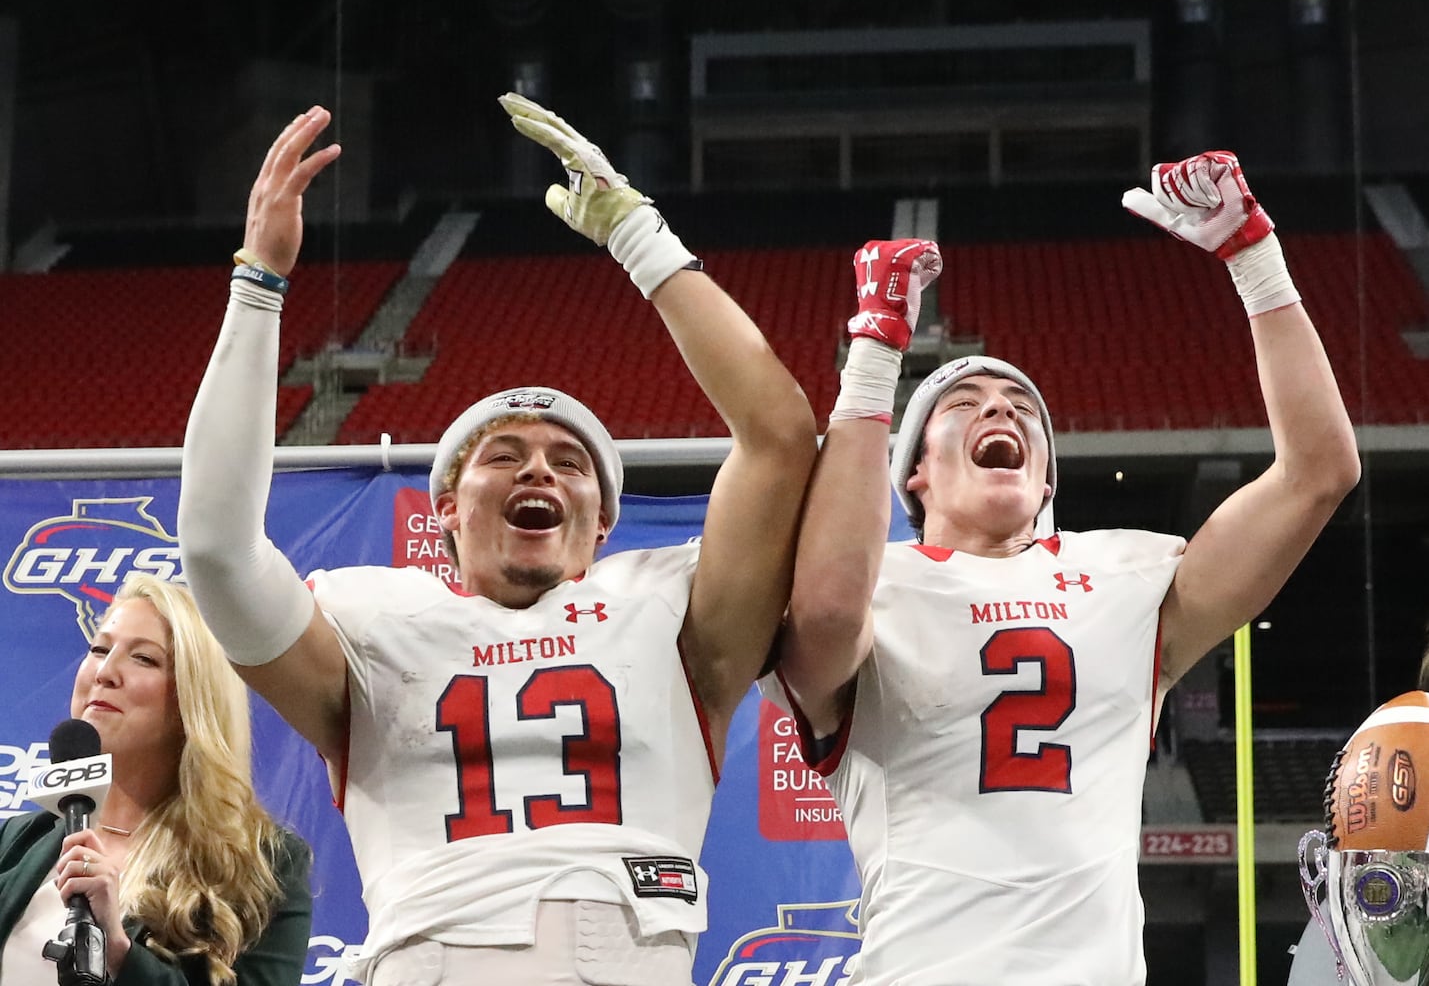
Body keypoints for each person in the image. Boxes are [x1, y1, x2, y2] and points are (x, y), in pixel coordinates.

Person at [176, 99, 815, 985]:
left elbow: (780, 434)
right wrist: (260, 283)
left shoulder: (675, 611)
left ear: (603, 523)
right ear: (443, 508)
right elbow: (214, 547)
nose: (539, 473)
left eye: (569, 464)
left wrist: (639, 237)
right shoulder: (369, 620)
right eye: (504, 456)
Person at [769, 151, 1361, 985]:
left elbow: (1318, 473)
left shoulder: (1124, 575)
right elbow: (826, 615)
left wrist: (1252, 256)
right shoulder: (879, 589)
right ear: (914, 473)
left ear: (1045, 477)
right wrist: (873, 352)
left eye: (1020, 410)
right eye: (963, 405)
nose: (999, 409)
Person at [0, 574, 312, 986]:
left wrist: (118, 951)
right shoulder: (18, 842)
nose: (105, 672)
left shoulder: (266, 865)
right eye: (98, 649)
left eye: (143, 659)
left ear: (193, 698)